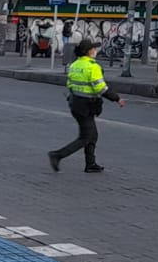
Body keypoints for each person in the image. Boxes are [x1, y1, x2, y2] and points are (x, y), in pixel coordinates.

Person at [48, 39, 125, 174]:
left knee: (92, 135)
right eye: (93, 49)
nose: (95, 50)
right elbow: (101, 88)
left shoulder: (75, 65)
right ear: (88, 51)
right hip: (86, 106)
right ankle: (58, 155)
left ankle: (90, 164)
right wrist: (116, 98)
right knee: (86, 137)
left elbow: (70, 85)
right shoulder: (92, 67)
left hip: (76, 104)